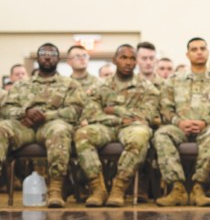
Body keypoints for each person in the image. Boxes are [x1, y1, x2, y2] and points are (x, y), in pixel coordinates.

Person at [74, 45, 160, 207]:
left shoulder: (148, 88)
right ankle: (98, 189)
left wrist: (113, 110)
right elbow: (91, 113)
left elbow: (144, 115)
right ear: (114, 60)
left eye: (132, 58)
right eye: (123, 58)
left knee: (140, 134)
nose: (128, 62)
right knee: (82, 134)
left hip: (131, 128)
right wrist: (120, 119)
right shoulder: (100, 86)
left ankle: (119, 188)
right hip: (105, 128)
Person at [0, 43, 84, 207]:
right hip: (24, 126)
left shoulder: (70, 85)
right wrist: (26, 112)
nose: (47, 56)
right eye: (43, 53)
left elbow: (75, 111)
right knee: (1, 128)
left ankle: (55, 189)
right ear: (37, 58)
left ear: (58, 59)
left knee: (60, 130)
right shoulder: (22, 85)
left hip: (52, 125)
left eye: (52, 54)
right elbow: (6, 108)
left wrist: (45, 116)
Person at [154, 37, 210, 207]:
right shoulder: (174, 79)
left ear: (207, 52)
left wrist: (206, 122)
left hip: (207, 127)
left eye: (202, 48)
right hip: (180, 128)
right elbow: (166, 108)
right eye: (194, 49)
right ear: (187, 54)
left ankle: (199, 187)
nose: (199, 52)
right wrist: (178, 122)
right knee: (161, 134)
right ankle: (177, 189)